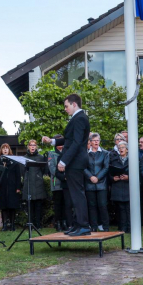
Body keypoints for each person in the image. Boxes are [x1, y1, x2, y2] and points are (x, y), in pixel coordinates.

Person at [42, 93, 91, 236]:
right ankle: (78, 225)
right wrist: (51, 141)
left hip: (75, 161)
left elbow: (76, 143)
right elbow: (69, 140)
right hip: (74, 161)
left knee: (78, 194)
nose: (65, 109)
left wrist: (63, 161)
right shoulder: (77, 118)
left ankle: (83, 225)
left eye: (66, 106)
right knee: (75, 195)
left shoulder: (80, 118)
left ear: (74, 104)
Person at [84, 133, 109, 232]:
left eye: (97, 140)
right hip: (89, 183)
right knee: (92, 206)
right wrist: (90, 177)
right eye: (94, 140)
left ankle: (106, 226)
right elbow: (83, 167)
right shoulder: (85, 153)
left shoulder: (105, 153)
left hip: (101, 183)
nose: (96, 142)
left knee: (102, 205)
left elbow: (106, 167)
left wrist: (97, 178)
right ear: (90, 142)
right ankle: (93, 226)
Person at [21, 139, 47, 229]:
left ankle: (38, 225)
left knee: (38, 206)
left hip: (38, 184)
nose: (32, 147)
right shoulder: (24, 158)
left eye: (34, 145)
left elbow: (43, 170)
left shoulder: (40, 157)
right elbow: (22, 171)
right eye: (31, 145)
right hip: (28, 183)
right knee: (30, 206)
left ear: (36, 147)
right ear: (28, 146)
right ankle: (30, 224)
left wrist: (39, 177)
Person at [0, 142, 22, 230]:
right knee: (4, 207)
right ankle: (4, 225)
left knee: (12, 206)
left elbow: (18, 176)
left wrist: (18, 187)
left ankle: (12, 224)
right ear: (1, 150)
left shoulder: (14, 162)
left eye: (7, 148)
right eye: (3, 148)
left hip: (12, 187)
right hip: (2, 188)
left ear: (9, 150)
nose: (5, 149)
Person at [108, 140, 132, 233]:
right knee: (120, 209)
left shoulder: (132, 160)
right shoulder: (114, 160)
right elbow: (109, 174)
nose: (120, 149)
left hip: (128, 187)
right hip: (118, 186)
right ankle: (122, 227)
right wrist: (113, 178)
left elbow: (138, 173)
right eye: (119, 148)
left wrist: (129, 177)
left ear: (127, 149)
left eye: (122, 147)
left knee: (129, 209)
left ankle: (130, 227)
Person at [47, 139, 70, 231]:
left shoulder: (67, 152)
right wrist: (61, 177)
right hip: (56, 183)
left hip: (66, 183)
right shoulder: (52, 153)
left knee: (66, 204)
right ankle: (58, 222)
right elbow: (52, 168)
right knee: (58, 204)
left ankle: (65, 221)